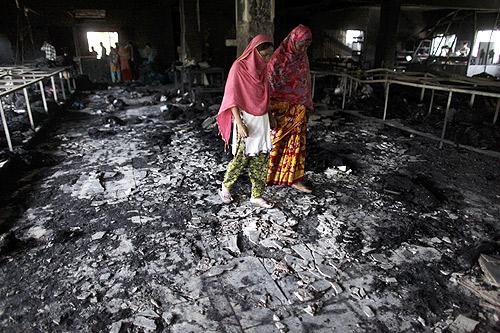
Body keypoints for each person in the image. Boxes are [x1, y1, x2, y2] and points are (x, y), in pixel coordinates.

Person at [217, 35, 275, 208]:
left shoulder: (262, 70)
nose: (267, 59)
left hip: (262, 119)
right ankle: (226, 188)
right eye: (264, 55)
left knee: (262, 159)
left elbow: (266, 95)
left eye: (269, 55)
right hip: (245, 119)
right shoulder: (238, 67)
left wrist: (270, 115)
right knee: (241, 158)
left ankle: (256, 195)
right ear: (254, 53)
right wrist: (240, 124)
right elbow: (232, 98)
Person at [266, 24, 313, 193]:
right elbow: (269, 83)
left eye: (308, 45)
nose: (304, 48)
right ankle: (268, 176)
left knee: (297, 145)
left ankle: (293, 179)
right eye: (302, 44)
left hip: (298, 109)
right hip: (279, 108)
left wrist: (306, 103)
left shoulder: (303, 58)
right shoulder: (278, 58)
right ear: (294, 40)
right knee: (275, 142)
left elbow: (305, 82)